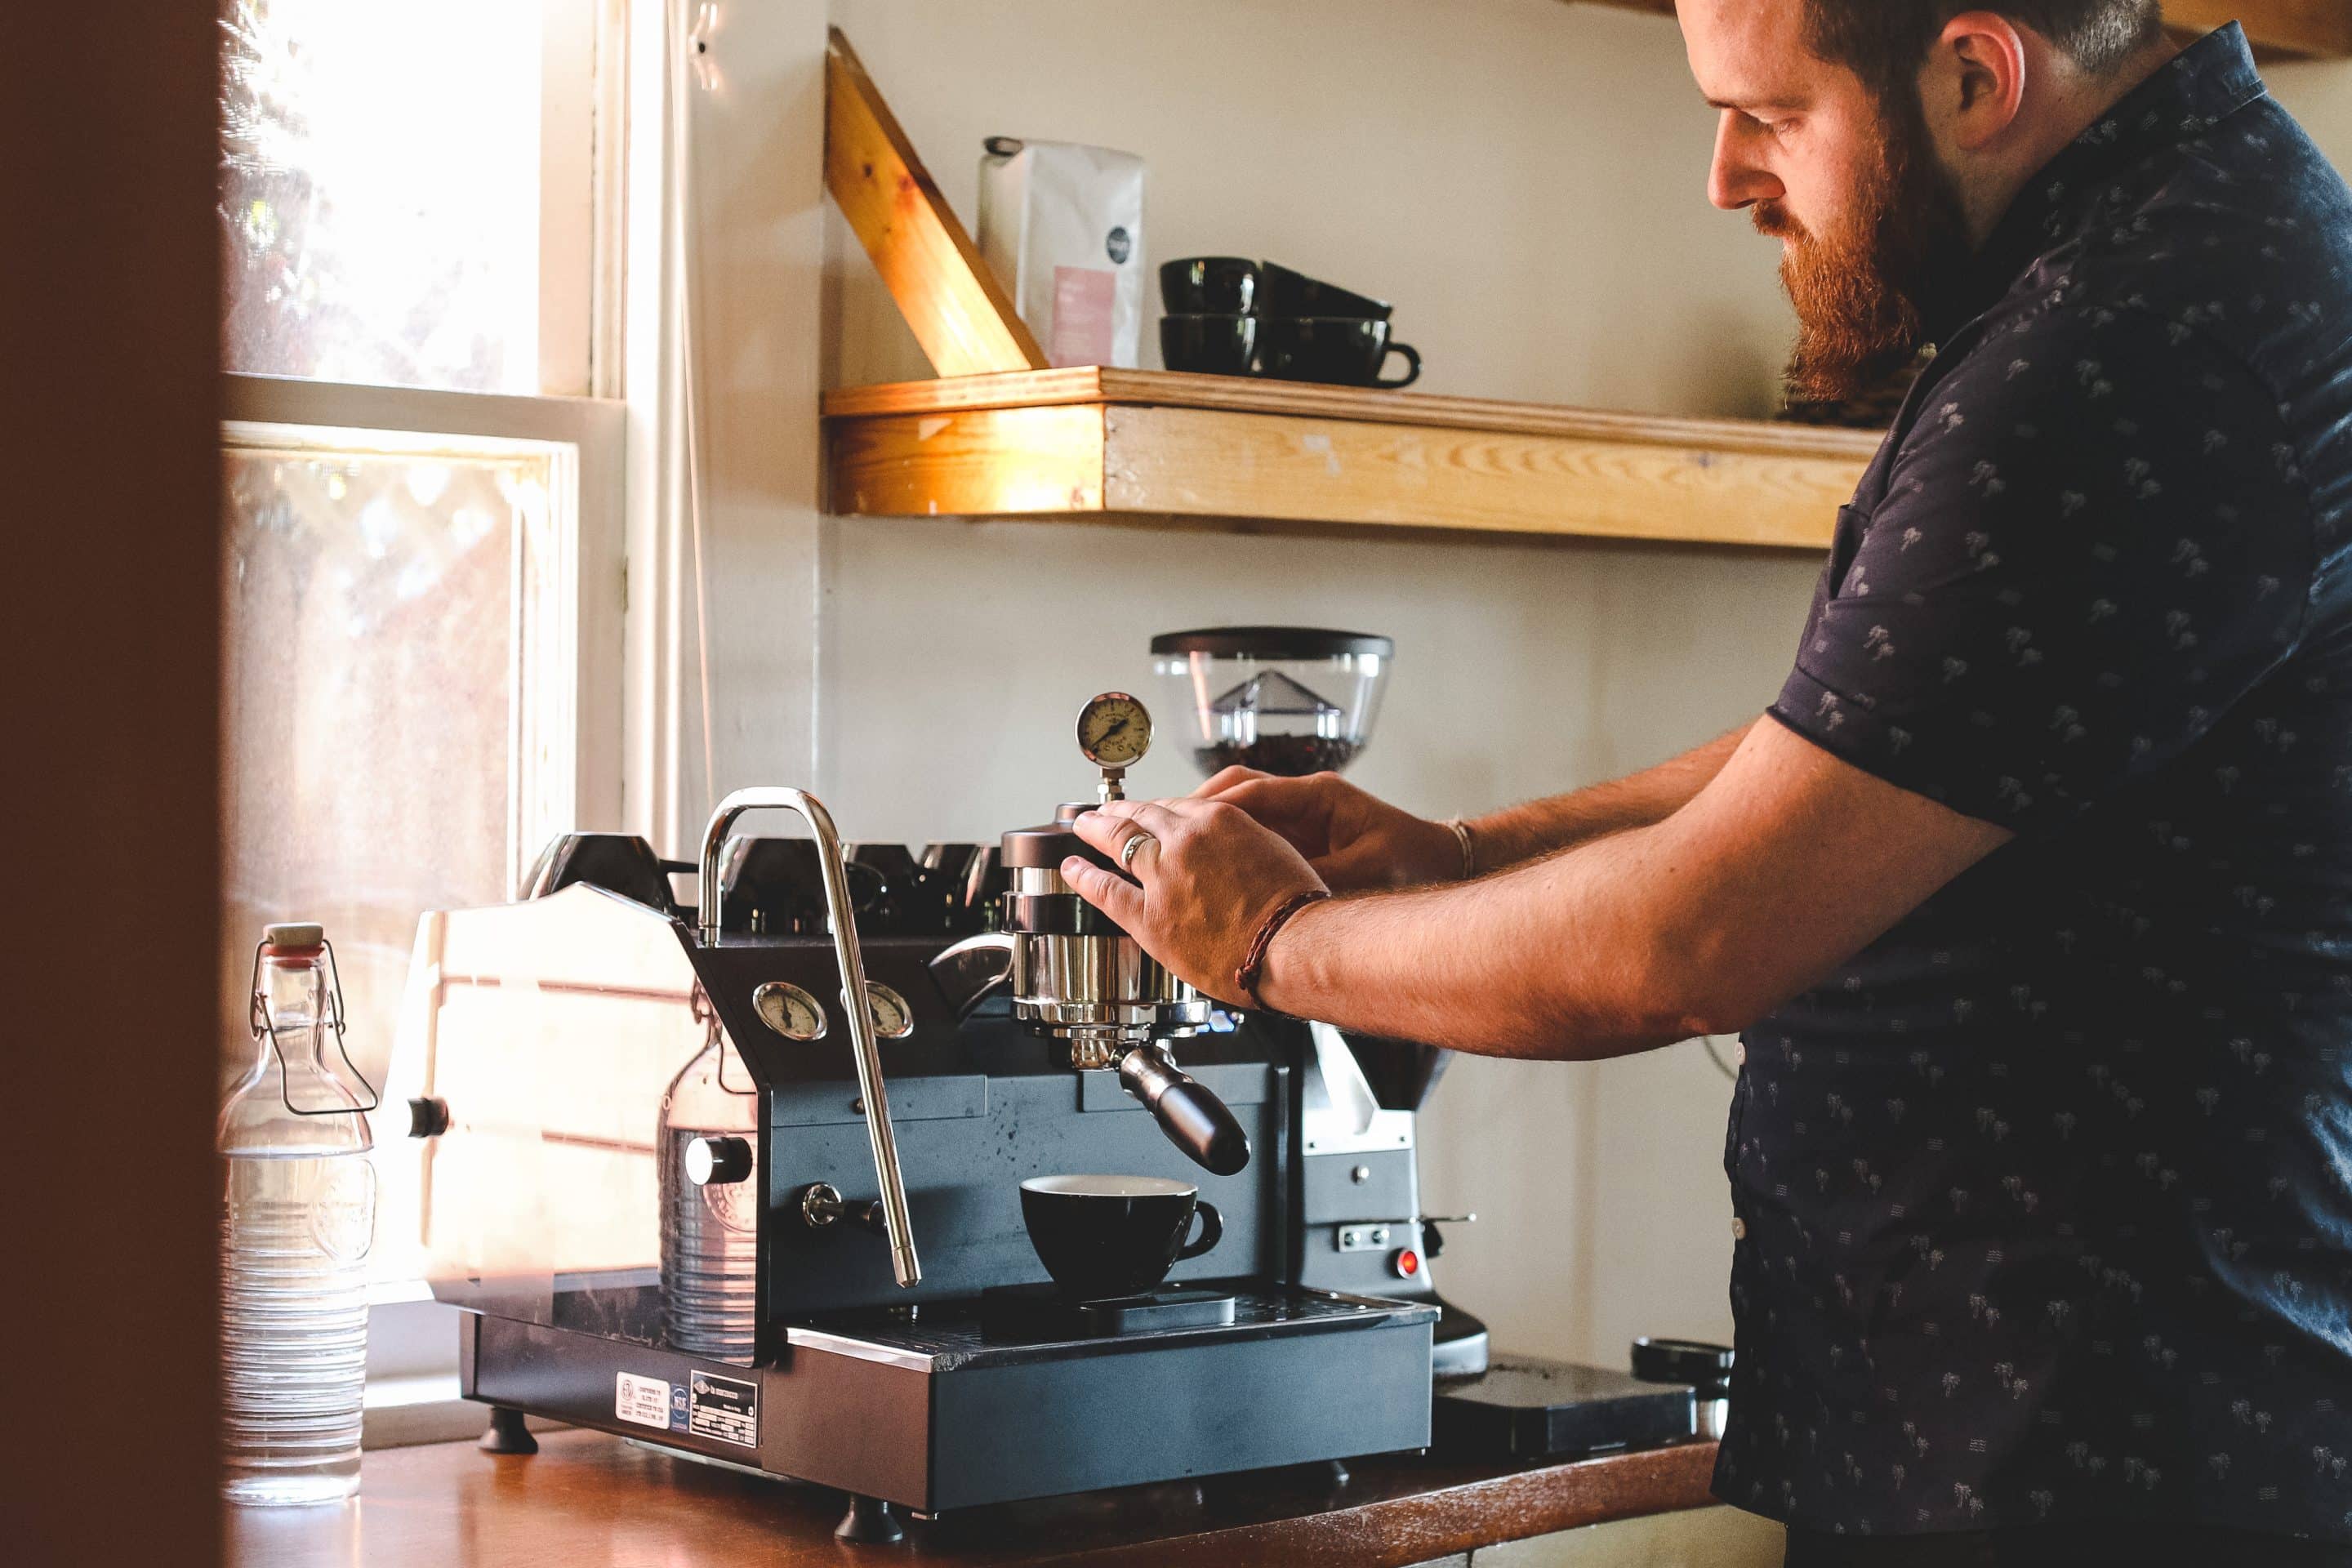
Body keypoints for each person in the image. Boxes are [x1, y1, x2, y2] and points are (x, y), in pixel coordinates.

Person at [1062, 3, 2352, 1563]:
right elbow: (1870, 749)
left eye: (1773, 115)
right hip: (2102, 1409)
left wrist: (1274, 948)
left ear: (1975, 71)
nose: (1727, 176)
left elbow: (1688, 946)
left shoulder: (2123, 352)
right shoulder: (2210, 243)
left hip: (2085, 1452)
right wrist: (1459, 857)